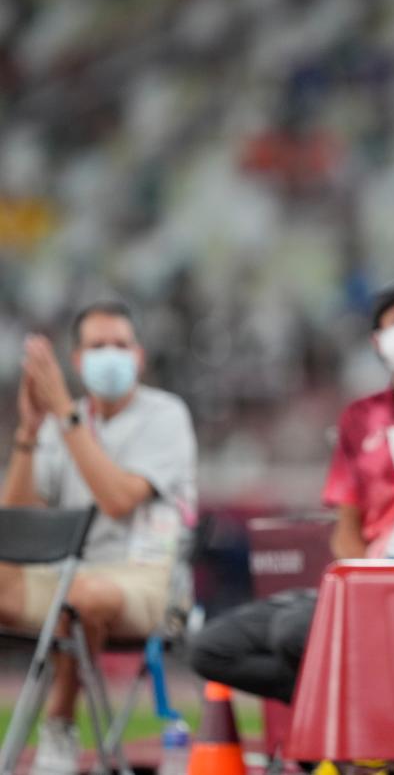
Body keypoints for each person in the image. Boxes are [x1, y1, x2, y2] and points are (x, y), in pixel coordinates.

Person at [189, 281, 394, 704]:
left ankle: (353, 722)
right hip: (374, 582)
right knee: (212, 647)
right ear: (377, 340)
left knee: (294, 632)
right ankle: (354, 705)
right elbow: (345, 527)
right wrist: (361, 577)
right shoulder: (360, 419)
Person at [0, 301, 197, 775]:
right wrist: (29, 433)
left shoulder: (166, 414)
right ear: (77, 361)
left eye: (121, 345)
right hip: (63, 575)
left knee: (81, 596)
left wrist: (66, 415)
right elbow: (15, 526)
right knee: (40, 583)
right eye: (98, 346)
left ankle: (59, 727)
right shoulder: (56, 425)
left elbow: (118, 499)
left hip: (145, 581)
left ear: (140, 356)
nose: (111, 354)